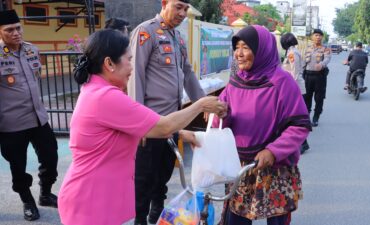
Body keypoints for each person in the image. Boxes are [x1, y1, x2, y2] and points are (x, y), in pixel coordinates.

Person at [57, 29, 226, 225]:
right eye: (129, 59)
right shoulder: (106, 97)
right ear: (109, 63)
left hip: (99, 196)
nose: (132, 66)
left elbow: (137, 128)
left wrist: (181, 134)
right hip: (91, 202)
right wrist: (201, 105)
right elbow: (163, 126)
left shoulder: (97, 91)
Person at [214, 25, 311, 225]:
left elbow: (299, 125)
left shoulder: (282, 82)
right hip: (240, 167)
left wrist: (273, 151)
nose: (239, 54)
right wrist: (221, 115)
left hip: (275, 167)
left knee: (276, 220)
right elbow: (220, 125)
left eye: (246, 48)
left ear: (262, 50)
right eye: (237, 47)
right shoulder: (234, 82)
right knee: (236, 220)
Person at [127, 1, 207, 224]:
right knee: (143, 180)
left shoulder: (178, 37)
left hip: (172, 124)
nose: (182, 13)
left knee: (163, 175)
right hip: (149, 126)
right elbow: (136, 77)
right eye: (178, 7)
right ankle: (140, 220)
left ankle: (157, 215)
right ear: (164, 3)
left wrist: (204, 102)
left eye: (185, 9)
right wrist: (137, 123)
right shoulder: (146, 32)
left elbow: (188, 73)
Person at [0, 10, 58, 221]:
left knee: (51, 158)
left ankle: (45, 193)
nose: (15, 33)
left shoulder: (32, 50)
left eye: (18, 28)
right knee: (19, 167)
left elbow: (35, 79)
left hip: (38, 118)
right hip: (12, 124)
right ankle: (27, 200)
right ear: (0, 32)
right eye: (9, 30)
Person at [280, 32, 310, 154]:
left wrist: (290, 89)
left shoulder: (292, 53)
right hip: (293, 87)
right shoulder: (291, 52)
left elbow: (295, 73)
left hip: (295, 88)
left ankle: (303, 143)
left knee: (295, 117)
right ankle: (303, 143)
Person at [303, 29, 331, 127]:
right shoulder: (307, 48)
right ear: (312, 37)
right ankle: (306, 116)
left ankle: (316, 117)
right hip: (308, 76)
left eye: (320, 35)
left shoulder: (325, 49)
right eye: (316, 35)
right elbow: (304, 61)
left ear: (322, 37)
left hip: (320, 77)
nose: (318, 37)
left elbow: (327, 58)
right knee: (307, 97)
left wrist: (322, 64)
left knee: (319, 98)